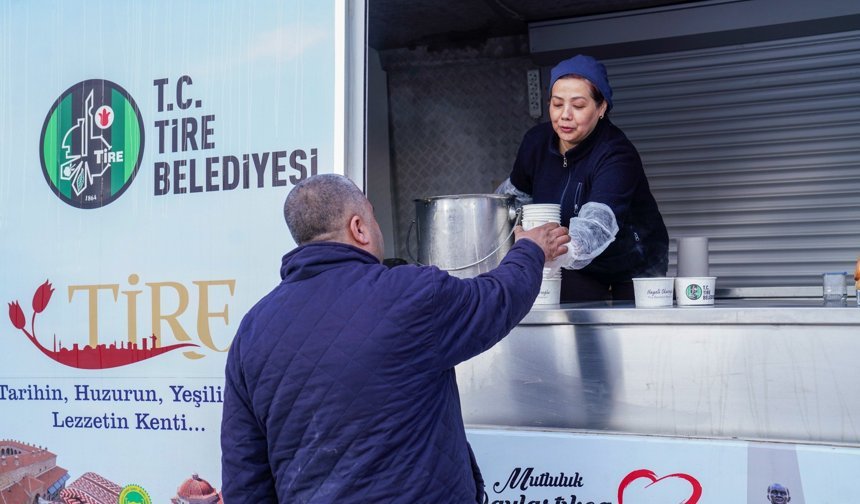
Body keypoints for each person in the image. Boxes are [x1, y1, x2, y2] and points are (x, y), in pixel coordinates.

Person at [220, 173, 569, 502]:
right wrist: (529, 249)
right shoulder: (407, 293)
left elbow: (245, 477)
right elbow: (497, 299)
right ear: (358, 228)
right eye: (372, 217)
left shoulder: (252, 331)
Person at [497, 54, 668, 302]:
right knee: (565, 317)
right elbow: (510, 201)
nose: (565, 115)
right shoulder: (536, 142)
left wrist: (538, 247)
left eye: (578, 106)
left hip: (633, 262)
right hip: (571, 262)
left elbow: (594, 229)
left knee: (632, 331)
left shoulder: (616, 153)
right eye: (557, 104)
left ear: (601, 108)